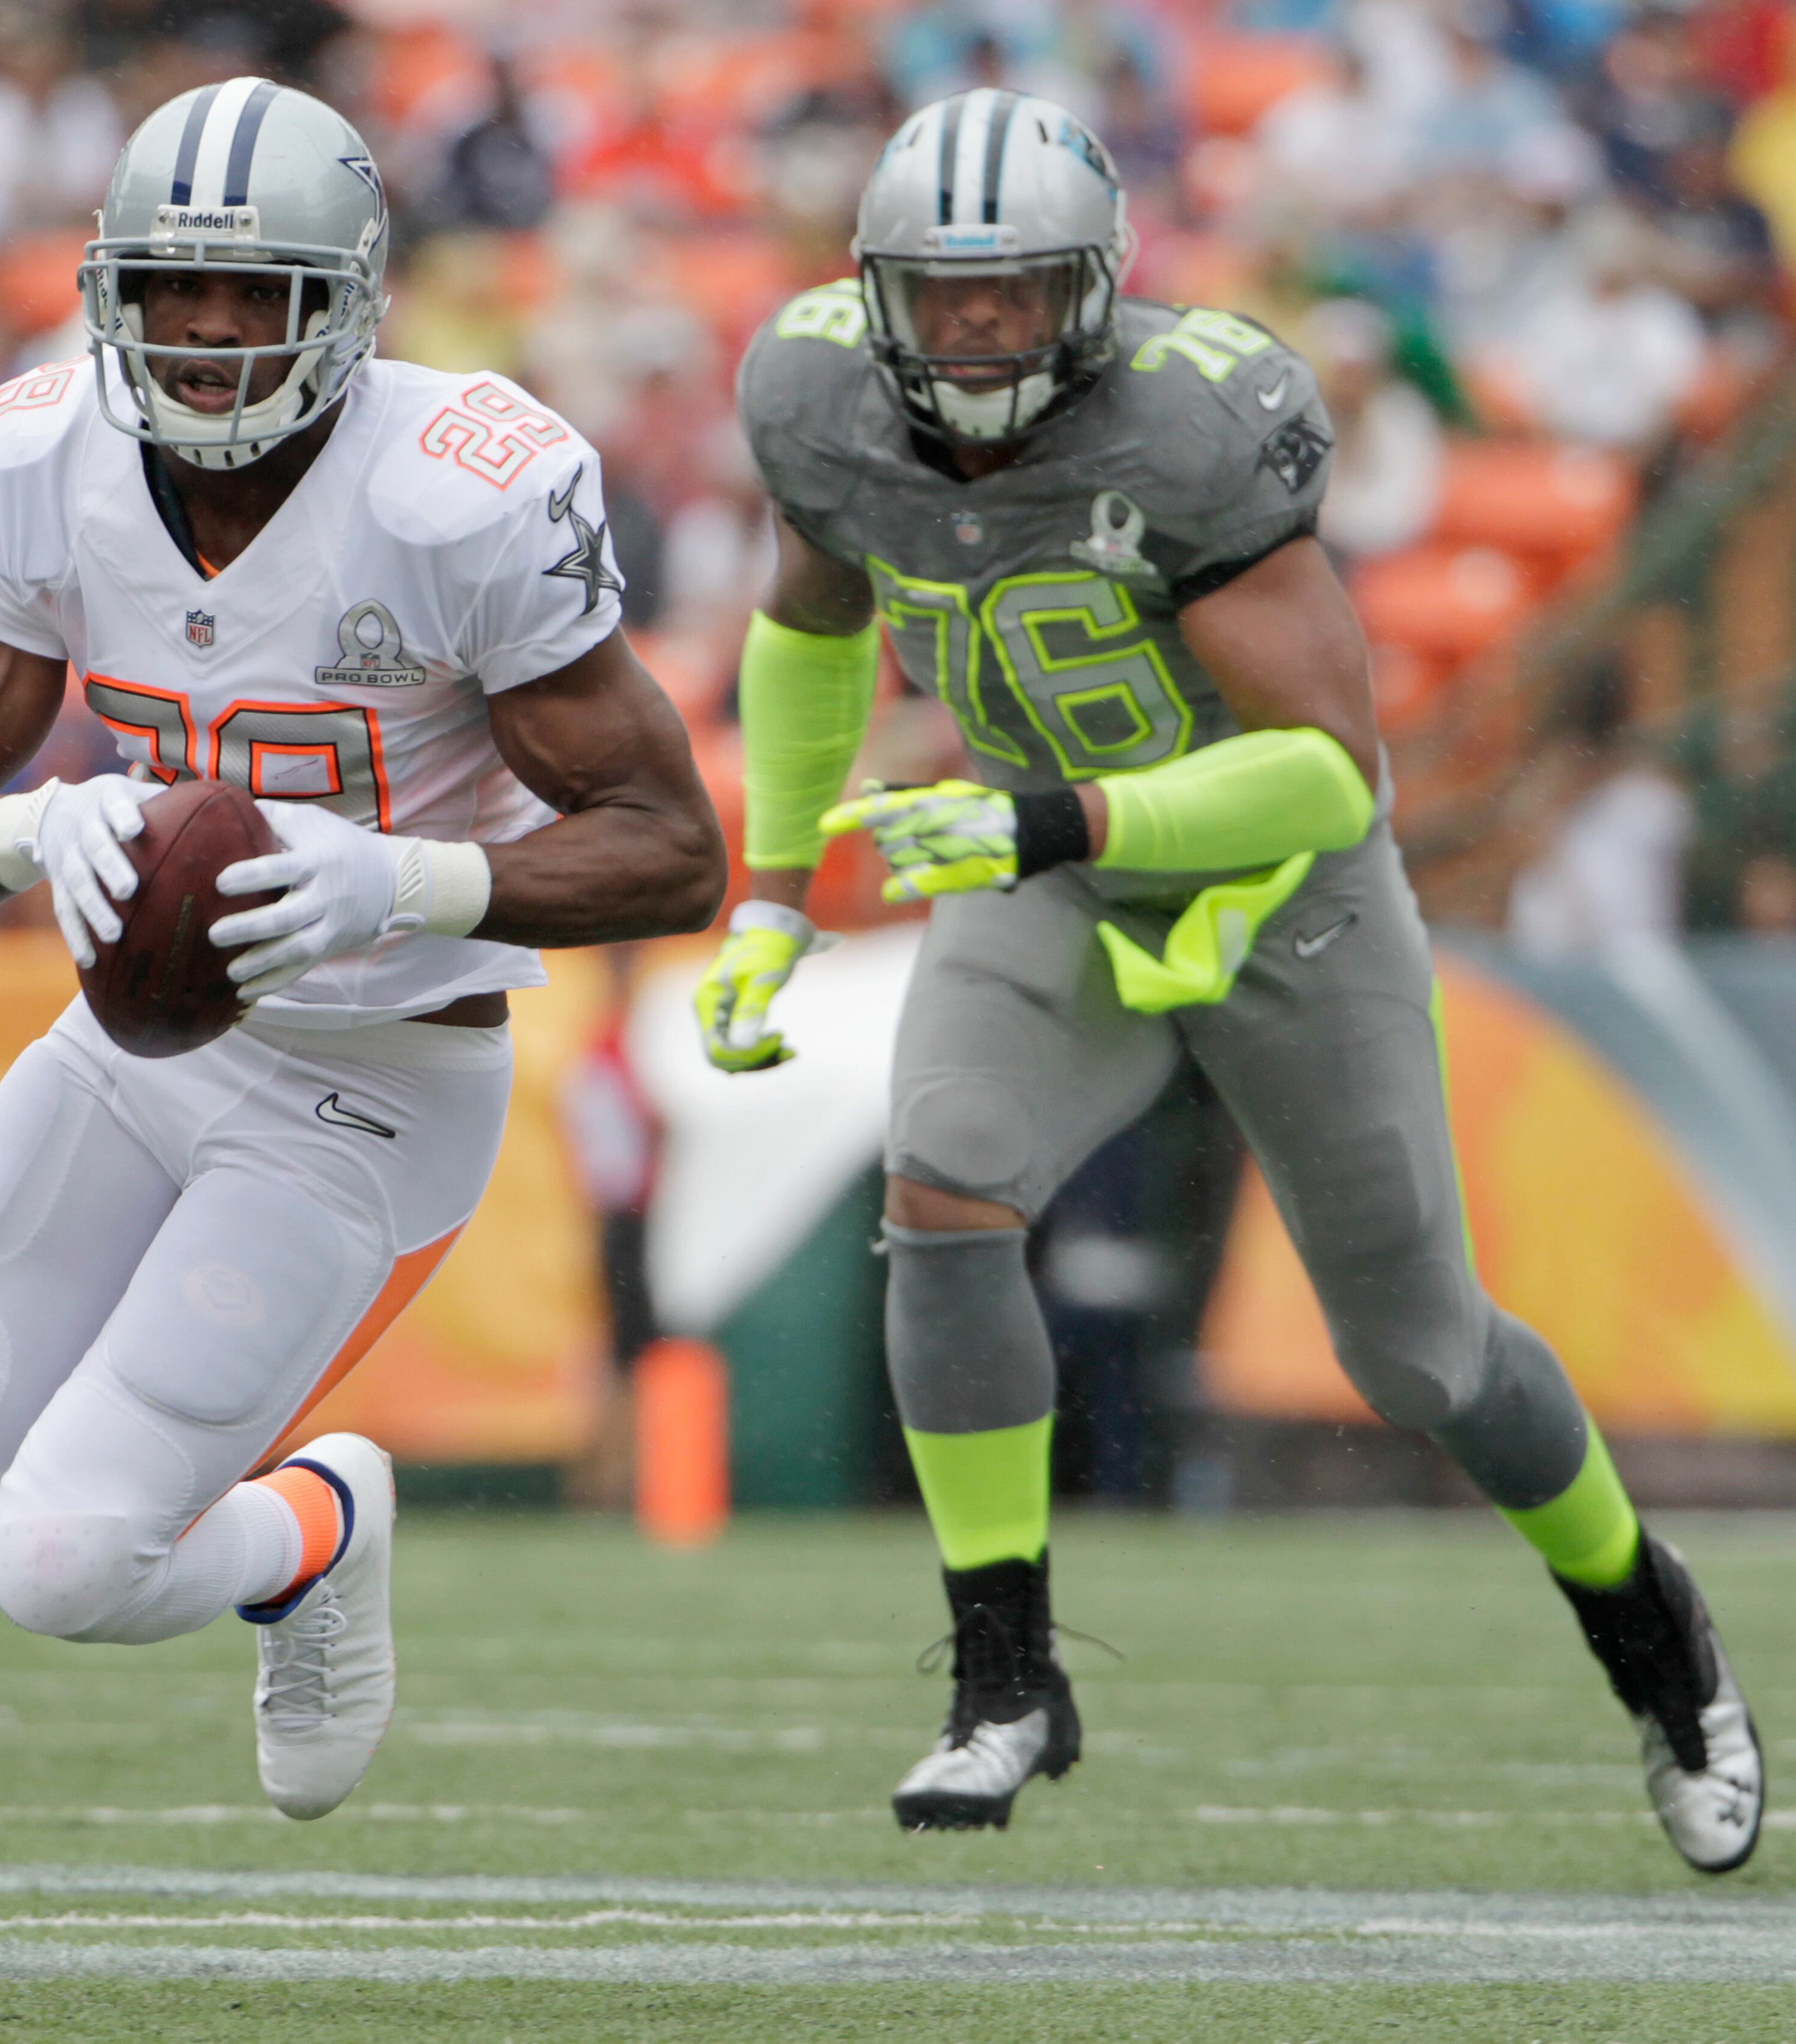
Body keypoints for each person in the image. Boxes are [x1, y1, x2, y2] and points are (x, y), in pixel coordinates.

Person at [0, 77, 723, 1992]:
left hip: (372, 1077)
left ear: (350, 305)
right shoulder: (45, 453)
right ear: (114, 289)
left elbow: (671, 847)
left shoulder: (469, 487)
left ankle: (313, 1528)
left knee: (66, 1564)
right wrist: (32, 829)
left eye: (258, 295)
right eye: (176, 289)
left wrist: (411, 880)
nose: (210, 334)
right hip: (141, 1046)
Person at [693, 88, 1760, 1871]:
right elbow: (810, 625)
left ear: (1096, 288)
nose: (976, 327)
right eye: (940, 292)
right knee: (944, 1187)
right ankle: (1005, 1678)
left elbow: (1333, 773)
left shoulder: (1193, 427)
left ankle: (1650, 1627)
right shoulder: (815, 398)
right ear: (872, 292)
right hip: (1047, 871)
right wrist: (776, 896)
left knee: (1422, 1358)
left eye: (1017, 290)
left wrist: (1046, 817)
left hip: (1277, 894)